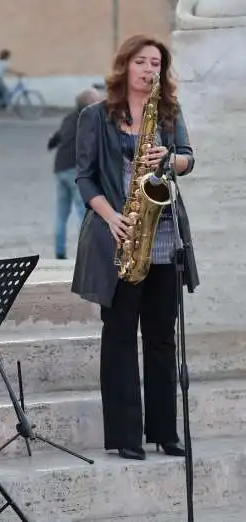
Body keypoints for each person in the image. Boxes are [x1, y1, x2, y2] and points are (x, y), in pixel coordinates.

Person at [72, 34, 199, 461]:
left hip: (165, 239)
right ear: (126, 65)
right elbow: (85, 178)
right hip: (120, 235)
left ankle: (165, 432)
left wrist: (170, 158)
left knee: (163, 338)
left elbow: (188, 158)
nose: (150, 70)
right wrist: (111, 217)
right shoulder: (95, 115)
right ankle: (127, 436)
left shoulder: (168, 112)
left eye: (157, 64)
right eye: (142, 62)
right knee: (121, 338)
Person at [47, 87, 101, 259]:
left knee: (61, 215)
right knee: (84, 212)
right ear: (90, 105)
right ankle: (86, 252)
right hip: (75, 170)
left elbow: (55, 139)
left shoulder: (68, 118)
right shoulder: (89, 120)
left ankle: (60, 253)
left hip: (60, 168)